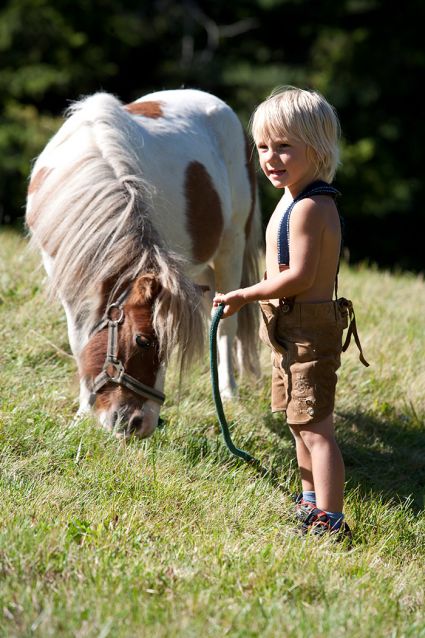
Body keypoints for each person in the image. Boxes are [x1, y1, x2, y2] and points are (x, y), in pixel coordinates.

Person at [213, 86, 369, 540]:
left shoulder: (311, 207)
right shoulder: (289, 199)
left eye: (284, 147)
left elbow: (298, 277)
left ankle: (332, 518)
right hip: (284, 328)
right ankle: (309, 502)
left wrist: (244, 294)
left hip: (308, 330)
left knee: (317, 427)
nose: (271, 158)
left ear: (316, 150)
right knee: (297, 421)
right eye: (263, 147)